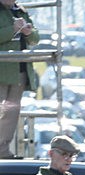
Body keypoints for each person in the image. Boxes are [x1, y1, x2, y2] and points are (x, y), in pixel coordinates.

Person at [0, 0, 38, 158]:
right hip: (2, 71)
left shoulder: (21, 11)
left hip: (19, 71)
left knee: (11, 114)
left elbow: (35, 38)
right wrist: (13, 29)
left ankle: (3, 151)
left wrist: (29, 33)